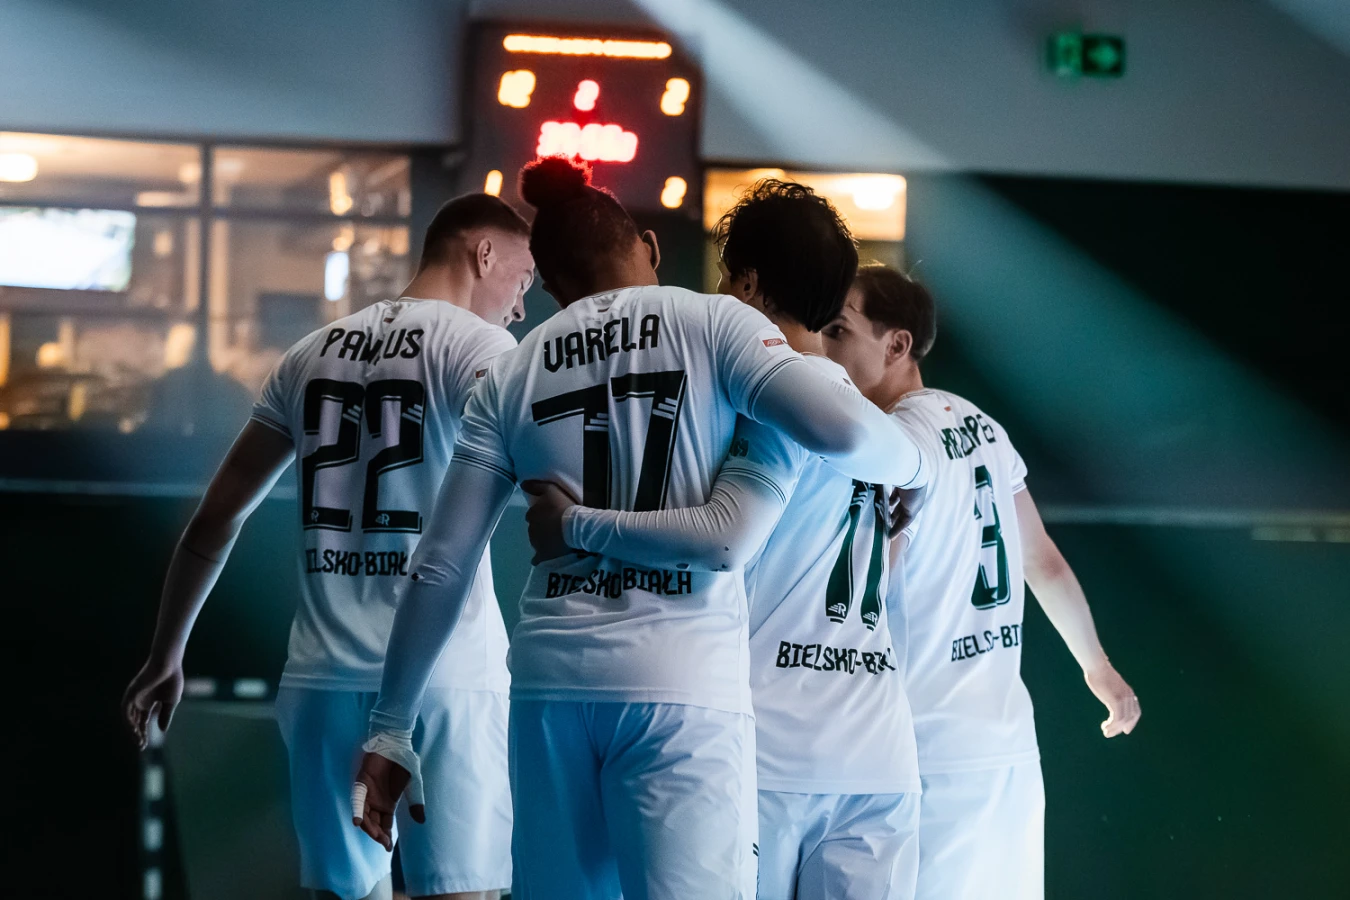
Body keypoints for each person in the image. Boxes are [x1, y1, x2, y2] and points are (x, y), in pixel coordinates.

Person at [350, 158, 926, 900]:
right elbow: (842, 433)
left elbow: (440, 564)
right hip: (680, 685)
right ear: (649, 246)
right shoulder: (716, 323)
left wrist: (391, 726)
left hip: (551, 686)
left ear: (552, 285)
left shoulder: (512, 372)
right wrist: (916, 468)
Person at [122, 193, 536, 900]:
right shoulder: (483, 350)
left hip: (323, 681)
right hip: (446, 680)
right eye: (523, 280)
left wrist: (167, 652)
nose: (522, 307)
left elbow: (215, 518)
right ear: (485, 253)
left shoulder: (310, 354)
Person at [521, 182, 928, 899]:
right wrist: (918, 471)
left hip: (773, 744)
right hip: (879, 749)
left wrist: (574, 524)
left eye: (722, 278)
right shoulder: (879, 427)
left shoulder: (764, 405)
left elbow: (723, 537)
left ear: (744, 284)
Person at [820, 263, 1142, 900]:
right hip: (1008, 752)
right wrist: (1097, 667)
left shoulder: (890, 444)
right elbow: (1042, 560)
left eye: (837, 330)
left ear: (897, 343)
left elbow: (864, 592)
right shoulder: (983, 426)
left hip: (924, 755)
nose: (821, 349)